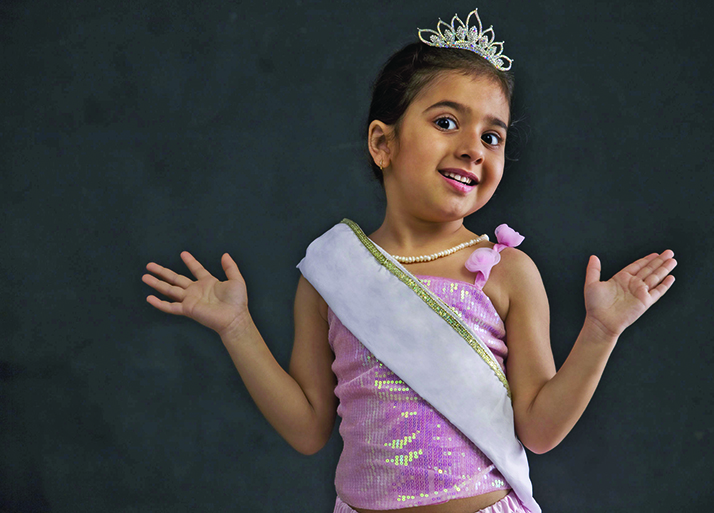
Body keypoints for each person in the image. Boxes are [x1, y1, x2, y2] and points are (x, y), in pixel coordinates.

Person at [141, 9, 676, 513]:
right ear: (383, 143)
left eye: (492, 136)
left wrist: (601, 332)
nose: (474, 148)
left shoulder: (509, 271)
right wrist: (236, 327)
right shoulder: (333, 271)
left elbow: (538, 430)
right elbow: (307, 429)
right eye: (446, 122)